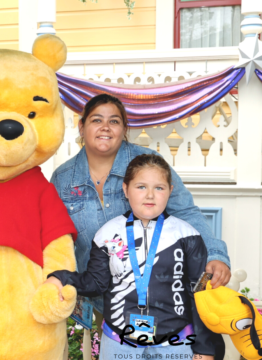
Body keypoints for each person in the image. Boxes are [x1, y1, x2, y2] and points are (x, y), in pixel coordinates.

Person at [50, 94, 231, 318]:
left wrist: (214, 254)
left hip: (160, 295)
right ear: (81, 126)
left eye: (114, 121)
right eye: (97, 120)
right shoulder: (63, 178)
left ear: (124, 128)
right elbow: (56, 237)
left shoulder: (148, 162)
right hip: (101, 298)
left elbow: (185, 212)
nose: (105, 127)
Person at [47, 154, 215, 358]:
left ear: (170, 191)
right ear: (126, 189)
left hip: (175, 343)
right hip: (118, 343)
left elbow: (201, 293)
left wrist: (205, 348)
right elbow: (95, 283)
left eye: (159, 188)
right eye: (141, 187)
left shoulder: (188, 235)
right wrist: (61, 278)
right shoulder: (107, 234)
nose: (150, 195)